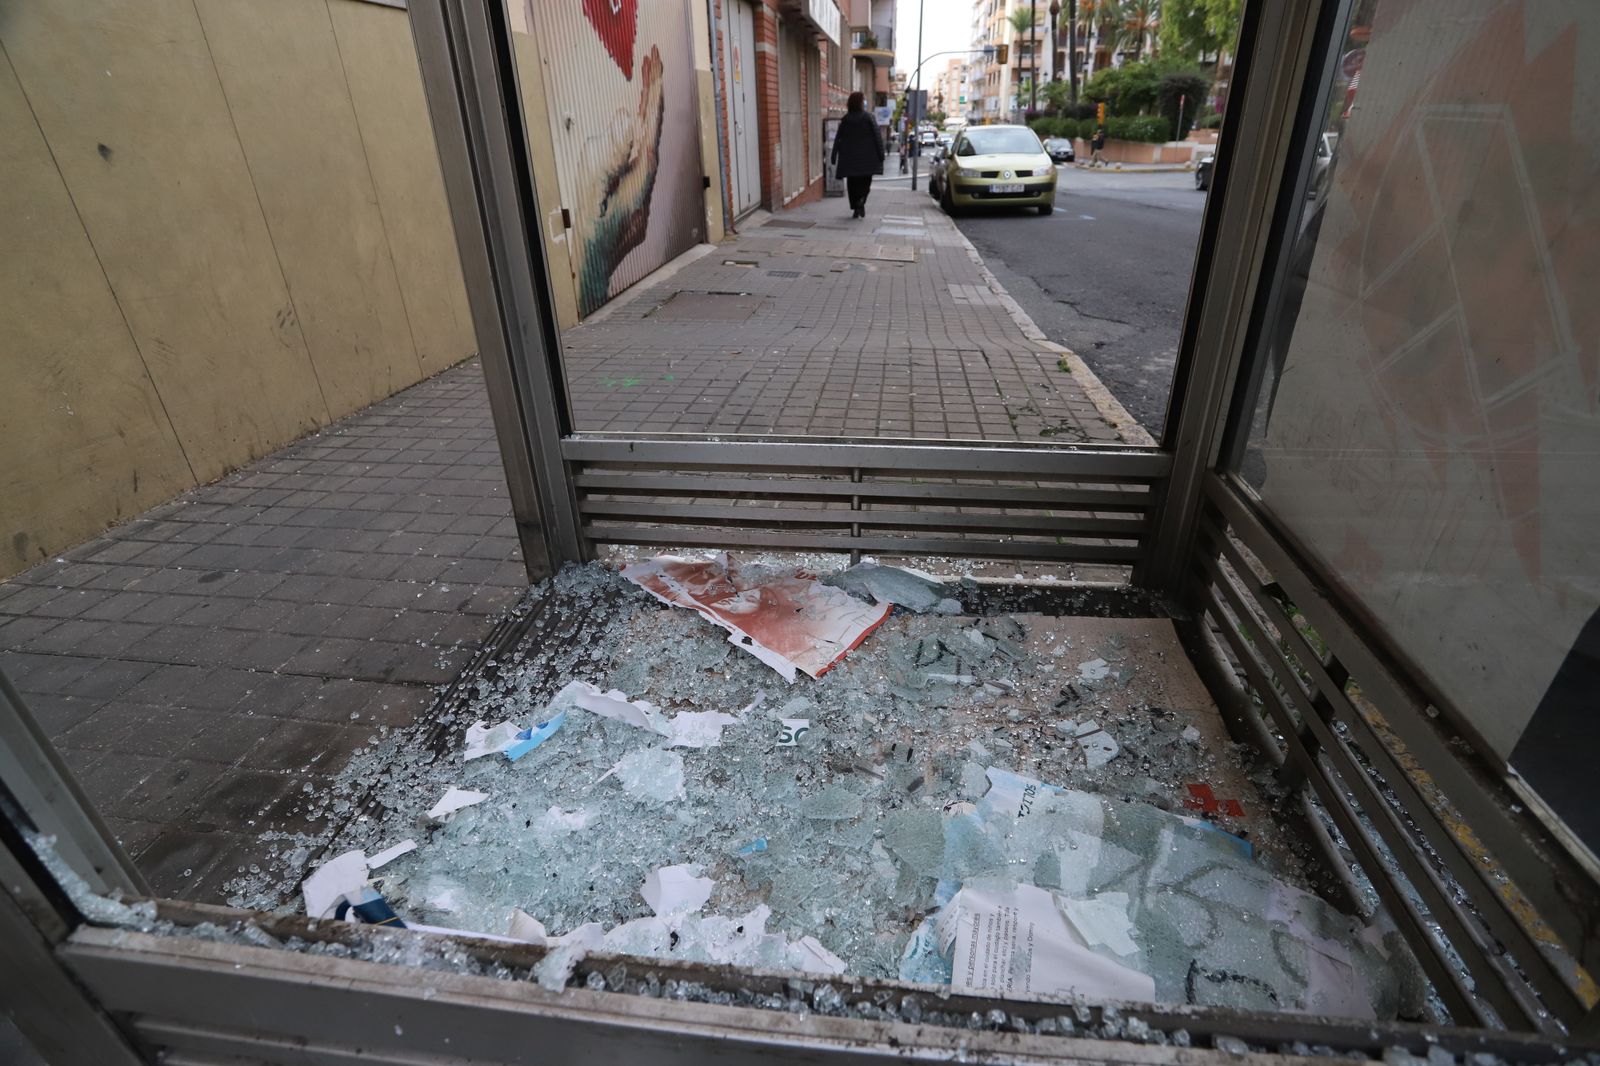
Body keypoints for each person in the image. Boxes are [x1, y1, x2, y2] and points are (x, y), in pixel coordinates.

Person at [832, 91, 885, 219]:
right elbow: (877, 137)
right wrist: (881, 154)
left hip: (850, 159)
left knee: (852, 184)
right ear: (861, 103)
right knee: (866, 183)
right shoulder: (869, 117)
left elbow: (838, 138)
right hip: (868, 159)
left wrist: (833, 156)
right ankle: (861, 200)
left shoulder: (846, 119)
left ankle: (856, 207)